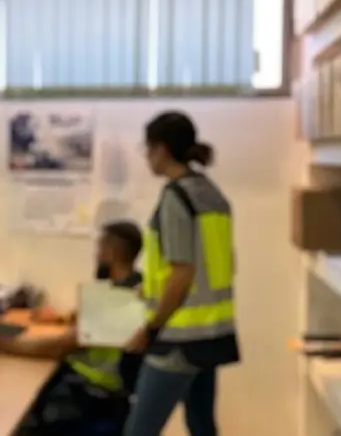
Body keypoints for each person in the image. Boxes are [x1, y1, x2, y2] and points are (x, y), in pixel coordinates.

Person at [122, 111, 239, 436]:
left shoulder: (177, 196)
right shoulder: (211, 193)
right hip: (210, 335)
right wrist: (151, 288)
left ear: (160, 149)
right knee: (202, 426)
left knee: (139, 431)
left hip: (178, 339)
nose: (147, 157)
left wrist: (150, 329)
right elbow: (216, 263)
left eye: (147, 149)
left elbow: (182, 274)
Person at [0, 221, 144, 435]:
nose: (96, 255)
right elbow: (95, 327)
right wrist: (62, 318)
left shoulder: (116, 300)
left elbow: (58, 347)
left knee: (18, 417)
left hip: (92, 397)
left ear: (111, 252)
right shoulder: (135, 288)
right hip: (106, 395)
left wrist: (1, 344)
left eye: (99, 248)